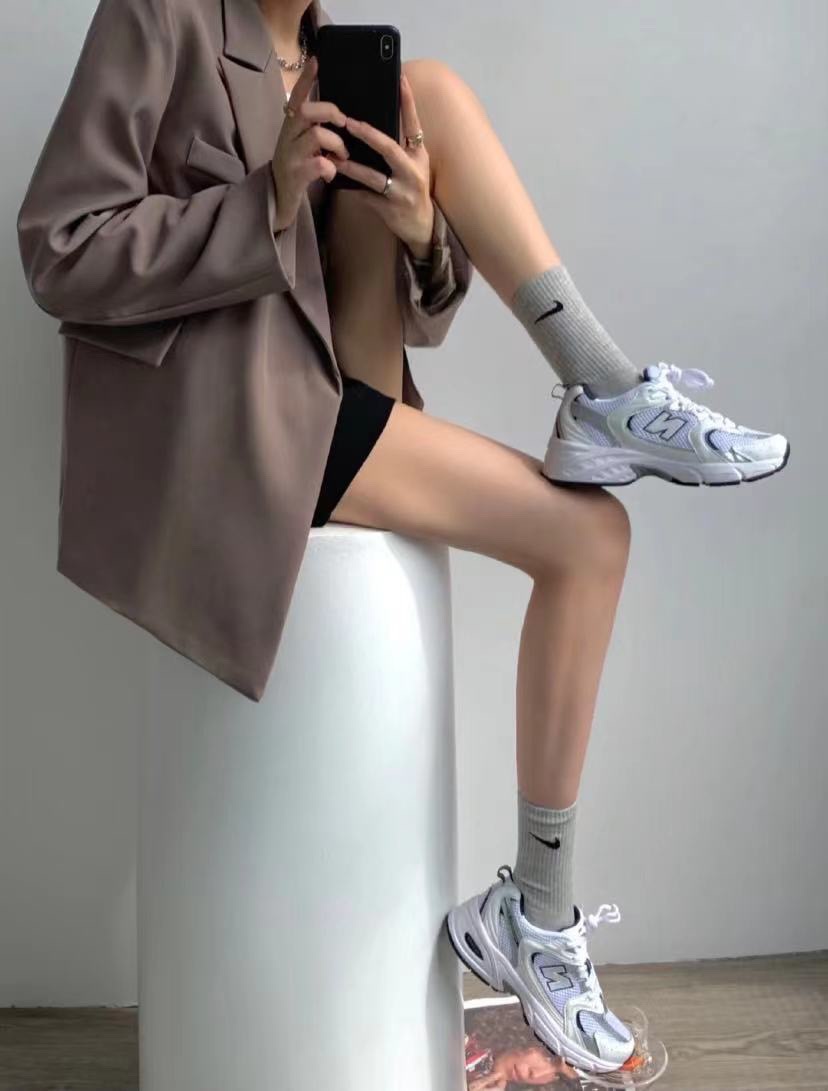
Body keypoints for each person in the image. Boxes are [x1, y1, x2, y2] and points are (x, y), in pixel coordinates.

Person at [16, 0, 788, 1076]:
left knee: (433, 99)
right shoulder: (159, 16)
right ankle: (537, 912)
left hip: (335, 393)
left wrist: (423, 230)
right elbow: (59, 250)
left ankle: (605, 387)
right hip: (228, 425)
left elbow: (409, 313)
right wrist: (264, 197)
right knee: (590, 539)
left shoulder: (329, 51)